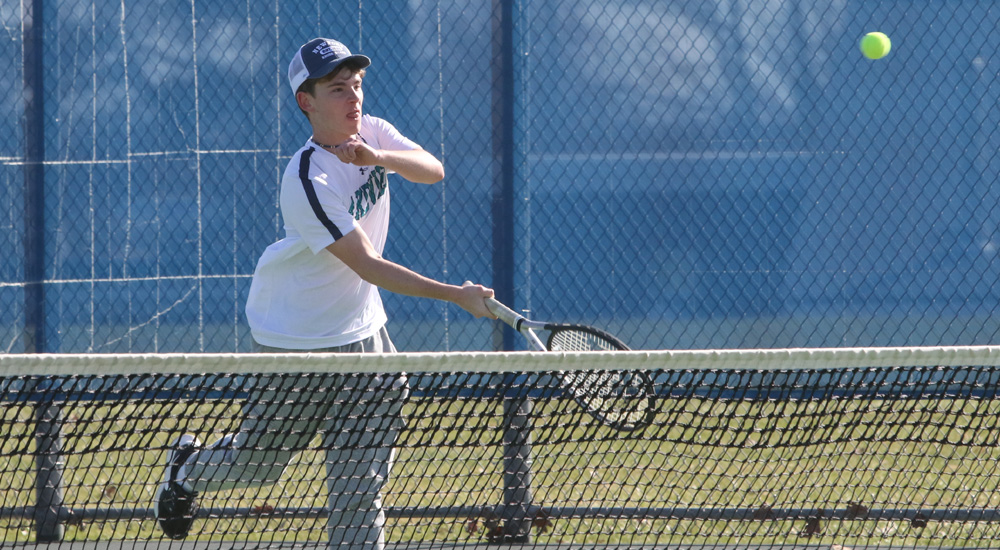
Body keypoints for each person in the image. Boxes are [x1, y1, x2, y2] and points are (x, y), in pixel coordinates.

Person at [153, 37, 495, 549]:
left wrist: (379, 156)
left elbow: (433, 169)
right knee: (257, 466)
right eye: (338, 89)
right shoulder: (307, 178)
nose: (354, 98)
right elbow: (368, 265)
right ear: (306, 101)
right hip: (296, 338)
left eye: (357, 85)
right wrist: (455, 295)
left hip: (365, 335)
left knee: (359, 490)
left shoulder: (373, 131)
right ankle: (188, 469)